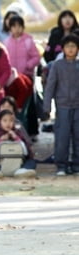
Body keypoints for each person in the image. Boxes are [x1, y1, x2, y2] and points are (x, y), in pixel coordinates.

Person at [43, 34, 79, 176]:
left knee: (78, 136)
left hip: (78, 106)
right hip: (62, 106)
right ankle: (61, 165)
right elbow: (50, 86)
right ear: (62, 49)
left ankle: (76, 164)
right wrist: (47, 106)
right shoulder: (57, 65)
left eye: (74, 46)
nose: (70, 49)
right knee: (62, 137)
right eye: (68, 46)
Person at [0, 110, 37, 178]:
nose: (8, 123)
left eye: (11, 121)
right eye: (5, 121)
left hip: (17, 165)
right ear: (0, 122)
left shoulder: (19, 134)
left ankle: (21, 172)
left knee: (32, 161)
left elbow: (26, 153)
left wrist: (17, 139)